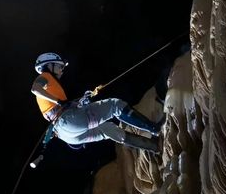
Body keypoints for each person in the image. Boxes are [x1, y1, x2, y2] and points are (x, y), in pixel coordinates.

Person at [31, 52, 162, 153]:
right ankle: (155, 129)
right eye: (59, 66)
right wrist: (59, 101)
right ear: (49, 65)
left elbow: (65, 107)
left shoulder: (52, 89)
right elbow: (35, 89)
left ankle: (154, 146)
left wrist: (82, 102)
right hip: (69, 121)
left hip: (67, 134)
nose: (62, 70)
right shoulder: (45, 77)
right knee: (114, 105)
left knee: (108, 129)